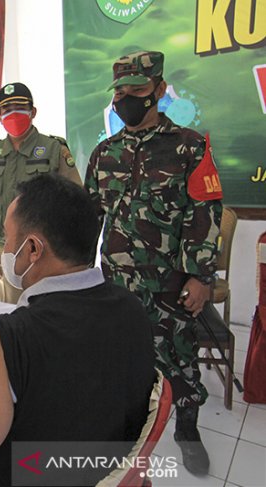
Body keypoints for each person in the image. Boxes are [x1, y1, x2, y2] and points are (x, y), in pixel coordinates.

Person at [0, 174, 156, 487]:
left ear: (32, 249)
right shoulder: (133, 308)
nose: (3, 249)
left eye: (6, 237)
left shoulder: (8, 342)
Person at [85, 51, 223, 476]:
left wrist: (201, 278)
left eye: (138, 91)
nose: (127, 99)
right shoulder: (104, 153)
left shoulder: (190, 147)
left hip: (172, 284)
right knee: (122, 358)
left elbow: (206, 216)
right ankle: (129, 426)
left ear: (159, 91)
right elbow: (88, 219)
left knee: (180, 360)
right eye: (121, 92)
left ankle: (187, 429)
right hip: (117, 285)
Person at [0, 82, 82, 304]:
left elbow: (75, 201)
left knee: (46, 312)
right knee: (11, 313)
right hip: (7, 251)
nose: (13, 113)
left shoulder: (53, 149)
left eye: (19, 106)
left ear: (33, 111)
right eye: (6, 109)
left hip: (46, 251)